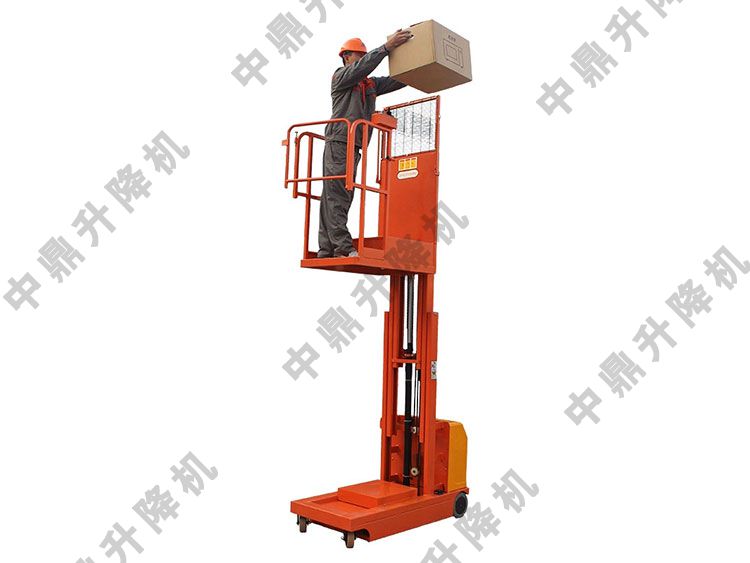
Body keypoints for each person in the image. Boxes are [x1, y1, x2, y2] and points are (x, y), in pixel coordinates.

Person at [318, 30, 413, 258]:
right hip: (340, 141)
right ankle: (342, 247)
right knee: (338, 193)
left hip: (354, 143)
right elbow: (362, 68)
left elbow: (398, 80)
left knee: (338, 193)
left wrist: (418, 68)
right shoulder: (341, 77)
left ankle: (326, 247)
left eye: (363, 55)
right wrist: (386, 48)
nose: (361, 59)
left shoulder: (369, 84)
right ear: (346, 57)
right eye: (358, 55)